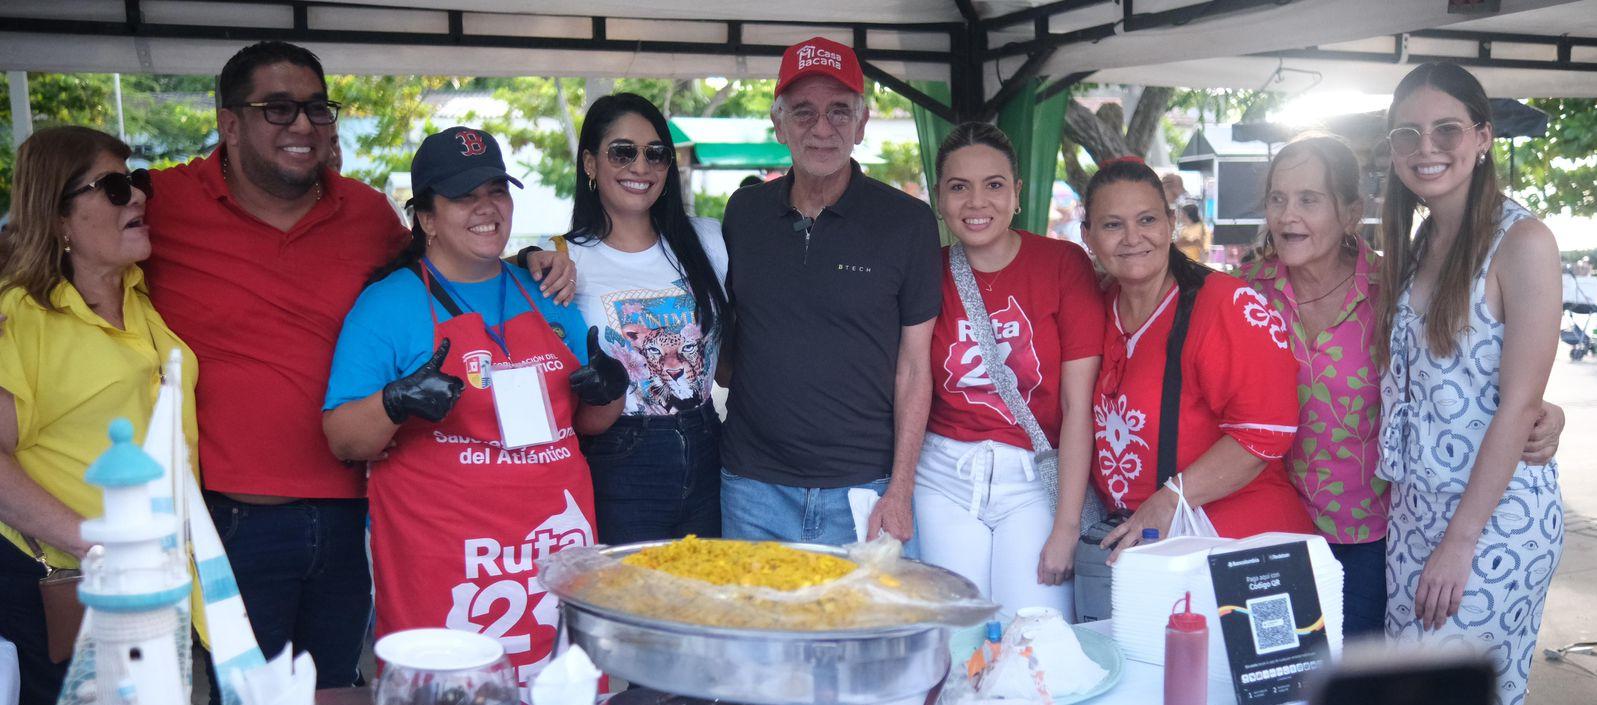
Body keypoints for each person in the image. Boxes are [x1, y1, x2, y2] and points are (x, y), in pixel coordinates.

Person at [140, 41, 572, 691]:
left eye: (317, 108)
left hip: (354, 510)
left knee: (340, 683)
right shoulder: (162, 204)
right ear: (229, 123)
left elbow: (452, 255)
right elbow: (57, 229)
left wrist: (531, 257)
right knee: (246, 691)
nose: (303, 126)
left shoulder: (366, 212)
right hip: (235, 515)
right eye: (278, 109)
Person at [322, 126, 626, 695]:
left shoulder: (545, 289)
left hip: (553, 555)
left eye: (497, 190)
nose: (487, 207)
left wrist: (609, 392)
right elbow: (343, 440)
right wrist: (394, 401)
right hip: (450, 567)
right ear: (427, 219)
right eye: (464, 196)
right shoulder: (388, 305)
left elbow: (585, 424)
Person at [1239, 132, 1565, 638]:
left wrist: (1543, 411)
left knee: (1356, 682)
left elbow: (1453, 378)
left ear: (1350, 214)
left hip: (1372, 534)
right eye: (1277, 199)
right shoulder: (1246, 294)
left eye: (1308, 199)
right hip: (1272, 525)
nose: (1287, 216)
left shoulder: (1393, 288)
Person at [1374, 63, 1563, 705]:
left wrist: (1460, 542)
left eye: (1446, 129)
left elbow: (1520, 404)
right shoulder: (1419, 240)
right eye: (1408, 132)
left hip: (1491, 518)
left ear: (1482, 137)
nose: (1425, 147)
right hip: (1413, 511)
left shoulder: (1524, 240)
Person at [0, 127, 198, 705]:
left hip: (151, 582)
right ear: (59, 215)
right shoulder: (22, 315)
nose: (138, 196)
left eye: (136, 182)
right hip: (67, 588)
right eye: (114, 187)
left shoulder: (138, 295)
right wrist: (98, 543)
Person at [718, 36, 941, 545]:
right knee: (757, 624)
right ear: (778, 124)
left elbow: (913, 367)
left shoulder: (907, 222)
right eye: (803, 112)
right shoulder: (744, 214)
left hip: (864, 489)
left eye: (840, 112)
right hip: (752, 486)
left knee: (858, 627)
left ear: (862, 125)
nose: (822, 129)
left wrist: (901, 489)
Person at [1081, 157, 1315, 563]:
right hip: (1141, 543)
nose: (1132, 237)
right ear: (1088, 236)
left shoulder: (1225, 305)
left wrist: (1173, 498)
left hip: (1235, 545)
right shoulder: (1094, 310)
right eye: (1112, 225)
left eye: (1147, 220)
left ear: (1171, 223)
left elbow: (1266, 431)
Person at [914, 123, 1102, 620]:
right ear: (940, 197)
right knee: (958, 639)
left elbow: (1076, 407)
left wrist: (1065, 530)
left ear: (1018, 193)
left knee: (1036, 638)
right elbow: (910, 381)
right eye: (959, 187)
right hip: (943, 478)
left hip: (1033, 480)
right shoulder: (924, 270)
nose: (977, 202)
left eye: (994, 184)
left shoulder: (1063, 264)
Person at [558, 94, 730, 545]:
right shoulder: (563, 258)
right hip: (620, 456)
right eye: (623, 152)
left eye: (656, 154)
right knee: (627, 604)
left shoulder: (708, 240)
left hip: (708, 442)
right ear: (591, 164)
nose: (641, 166)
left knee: (702, 602)